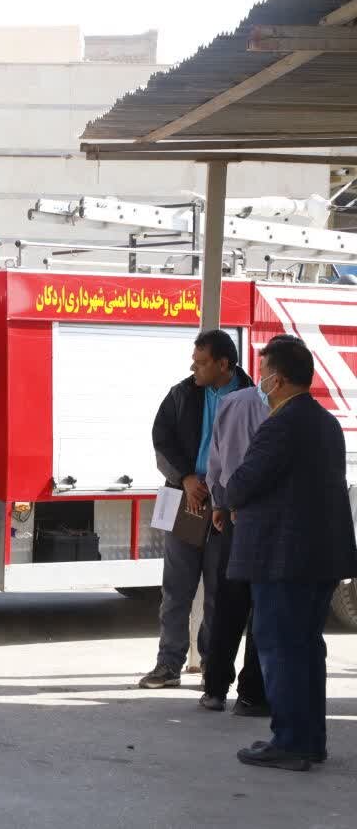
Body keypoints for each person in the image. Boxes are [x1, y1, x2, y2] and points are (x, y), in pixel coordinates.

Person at [225, 338, 357, 771]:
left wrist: (229, 494)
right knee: (304, 649)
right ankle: (307, 739)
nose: (260, 381)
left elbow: (245, 483)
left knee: (282, 649)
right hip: (317, 557)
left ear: (277, 379)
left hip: (285, 559)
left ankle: (292, 742)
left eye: (263, 373)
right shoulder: (324, 421)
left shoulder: (282, 423)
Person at [138, 329, 251, 688]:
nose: (194, 368)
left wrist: (231, 496)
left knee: (220, 591)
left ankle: (211, 668)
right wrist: (185, 477)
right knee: (176, 590)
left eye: (201, 363)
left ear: (223, 364)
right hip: (186, 500)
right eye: (194, 360)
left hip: (227, 505)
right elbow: (162, 439)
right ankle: (168, 665)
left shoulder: (252, 397)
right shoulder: (182, 394)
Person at [199, 337, 304, 715]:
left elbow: (215, 461)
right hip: (265, 521)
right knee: (262, 610)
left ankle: (214, 689)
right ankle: (251, 694)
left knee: (227, 607)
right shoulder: (282, 414)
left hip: (232, 518)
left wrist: (219, 503)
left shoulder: (230, 404)